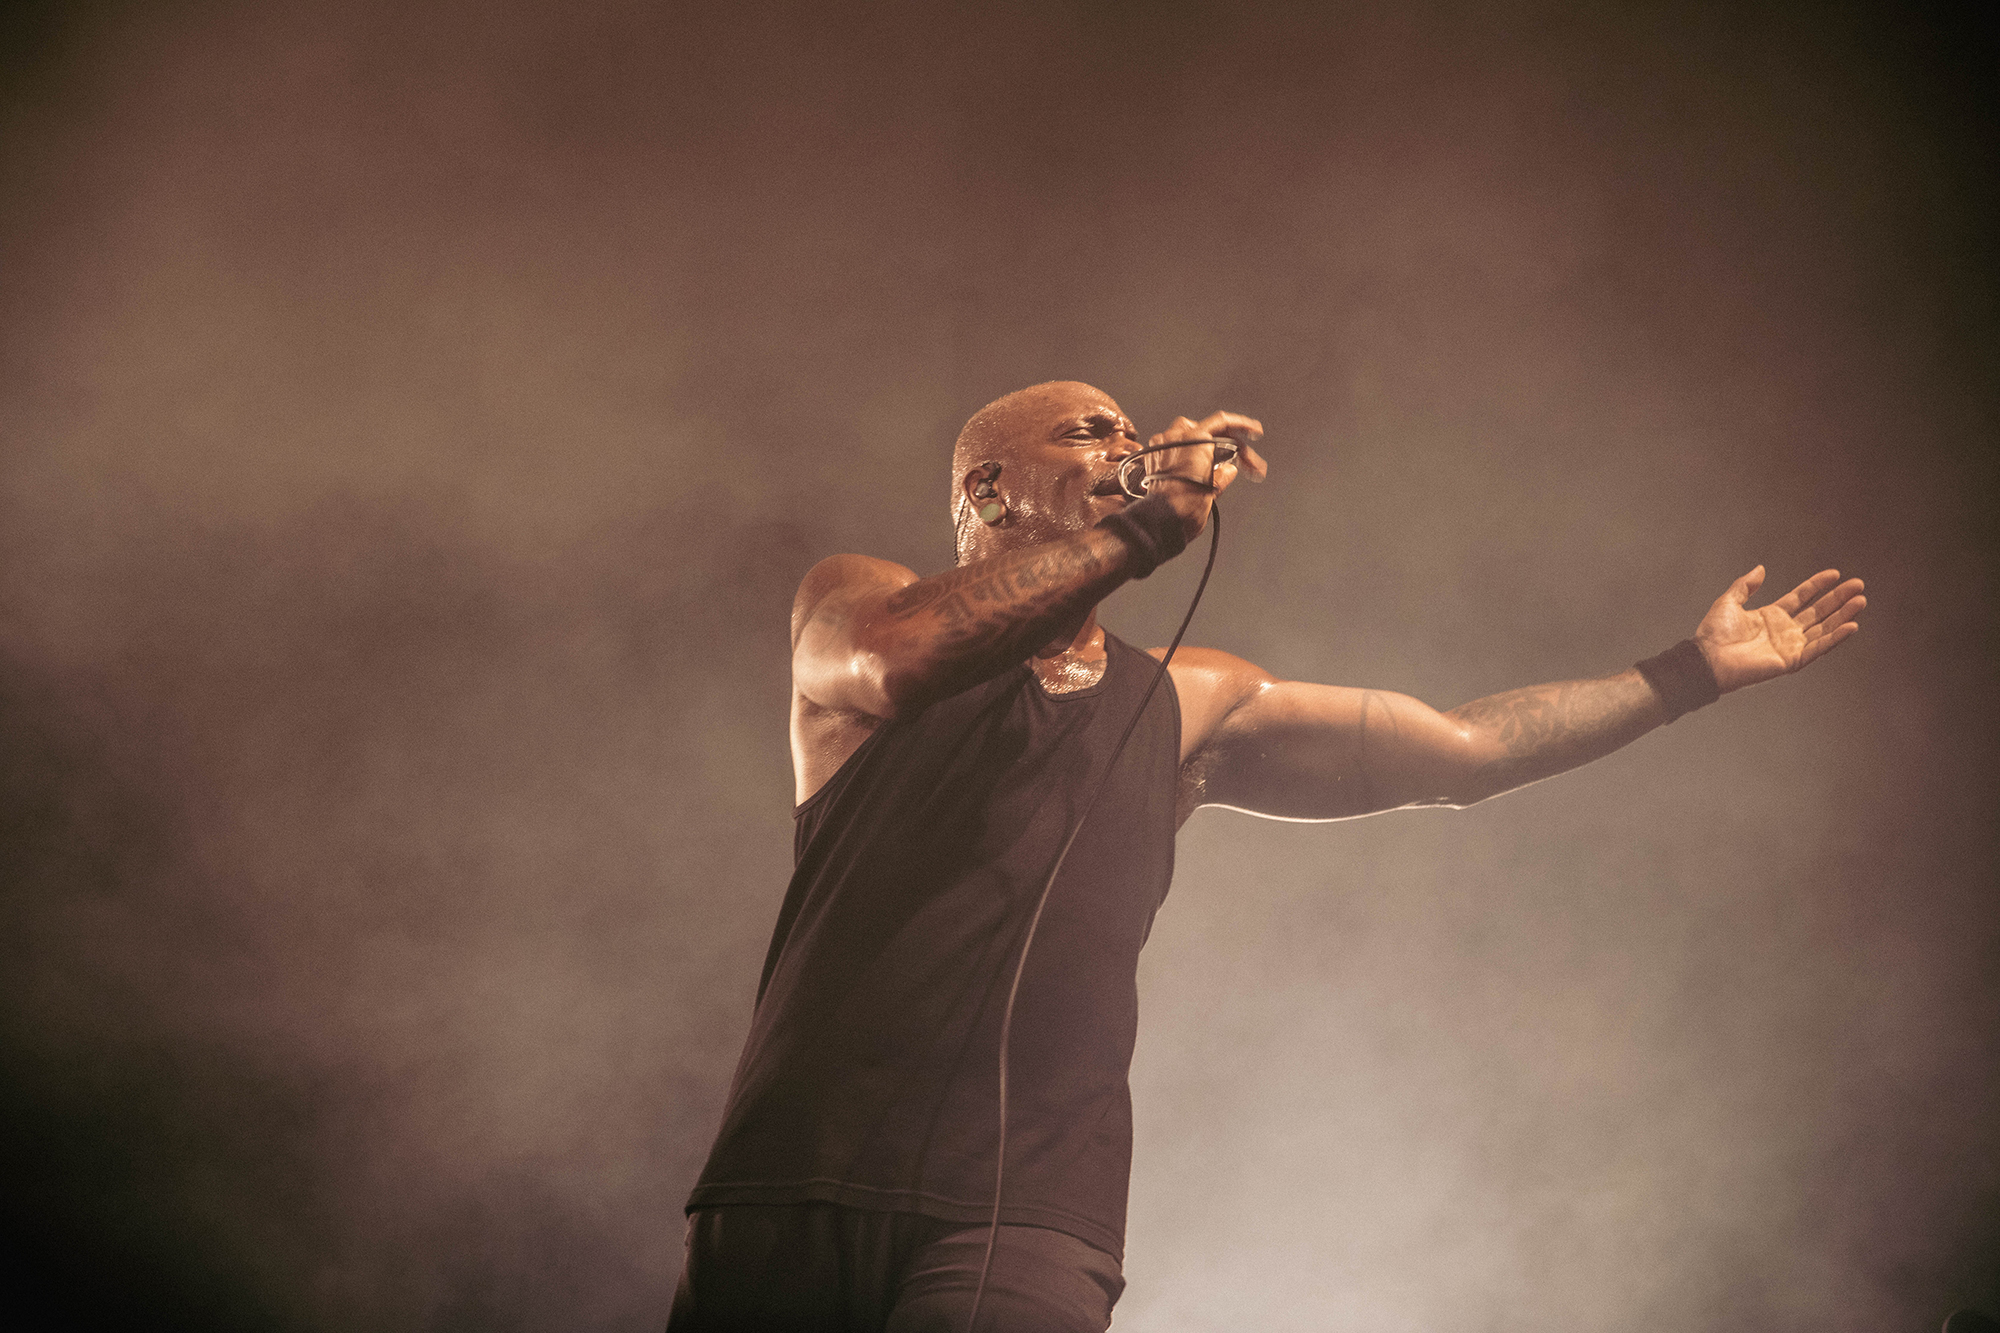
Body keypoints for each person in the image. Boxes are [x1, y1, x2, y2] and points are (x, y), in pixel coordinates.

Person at [667, 381, 1866, 1332]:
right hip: (790, 1177)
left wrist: (1689, 672)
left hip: (1025, 1200)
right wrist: (1146, 527)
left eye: (1131, 432)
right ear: (990, 487)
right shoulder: (859, 597)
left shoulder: (1189, 700)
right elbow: (894, 660)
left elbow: (1463, 750)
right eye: (1088, 434)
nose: (1125, 446)